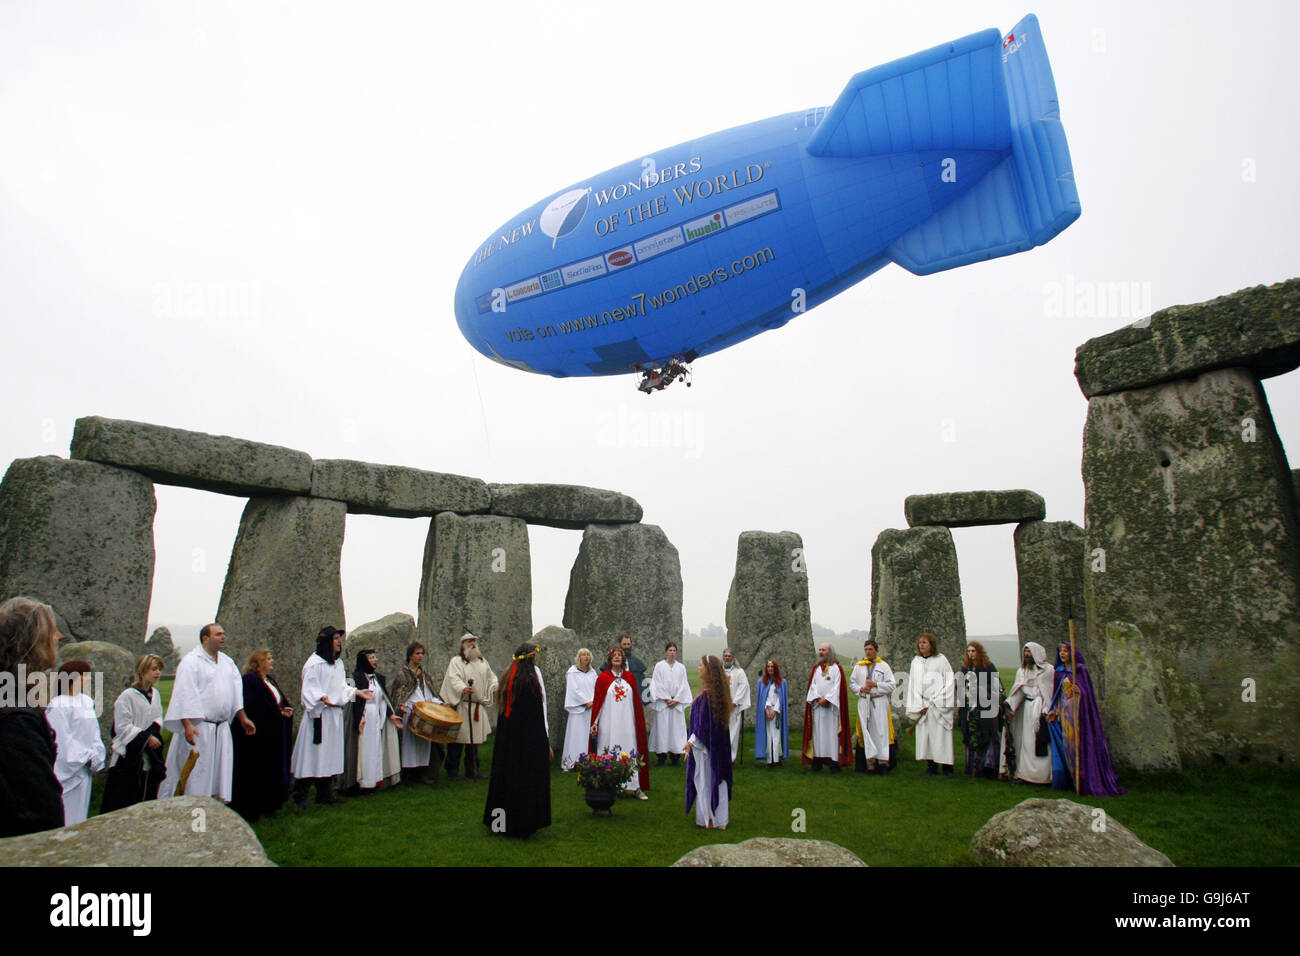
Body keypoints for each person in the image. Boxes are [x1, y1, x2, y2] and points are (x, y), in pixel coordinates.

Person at [159, 623, 255, 801]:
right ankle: (192, 812)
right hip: (199, 728)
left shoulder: (227, 663)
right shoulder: (191, 662)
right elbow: (184, 694)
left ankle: (212, 811)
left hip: (221, 729)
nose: (223, 637)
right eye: (218, 634)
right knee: (196, 775)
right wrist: (187, 725)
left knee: (218, 775)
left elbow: (235, 692)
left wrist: (242, 717)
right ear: (205, 639)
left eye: (223, 634)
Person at [0, 596, 64, 836]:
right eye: (52, 631)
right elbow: (39, 813)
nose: (58, 637)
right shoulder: (16, 719)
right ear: (34, 642)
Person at [290, 626, 372, 808]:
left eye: (339, 638)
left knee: (328, 755)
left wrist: (357, 693)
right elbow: (310, 688)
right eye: (335, 638)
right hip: (318, 716)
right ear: (327, 642)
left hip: (333, 716)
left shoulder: (337, 664)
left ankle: (324, 793)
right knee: (312, 756)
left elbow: (341, 687)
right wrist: (321, 697)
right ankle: (300, 796)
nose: (339, 641)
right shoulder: (314, 664)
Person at [483, 642, 552, 837]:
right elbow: (536, 716)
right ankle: (523, 823)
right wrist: (543, 741)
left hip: (507, 744)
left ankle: (499, 823)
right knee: (525, 781)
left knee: (505, 780)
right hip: (528, 744)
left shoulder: (508, 680)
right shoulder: (529, 683)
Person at [1047, 643, 1125, 796]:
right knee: (1067, 747)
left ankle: (1083, 779)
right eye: (1060, 651)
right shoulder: (1059, 673)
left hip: (1078, 715)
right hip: (1064, 714)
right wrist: (1054, 711)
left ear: (1072, 653)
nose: (1062, 654)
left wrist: (1080, 691)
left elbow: (1088, 695)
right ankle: (1070, 778)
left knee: (1079, 746)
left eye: (1066, 651)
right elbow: (1056, 695)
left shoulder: (1080, 672)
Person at [230, 649, 293, 821]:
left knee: (272, 769)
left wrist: (282, 710)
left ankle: (271, 804)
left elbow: (275, 702)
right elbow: (253, 705)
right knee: (258, 770)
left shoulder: (269, 680)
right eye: (268, 659)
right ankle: (255, 807)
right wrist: (277, 712)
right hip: (258, 735)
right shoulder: (250, 681)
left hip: (272, 734)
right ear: (258, 663)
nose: (272, 661)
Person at [101, 653, 166, 813]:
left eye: (159, 669)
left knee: (146, 795)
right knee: (122, 801)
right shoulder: (127, 696)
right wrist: (145, 737)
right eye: (154, 669)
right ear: (143, 671)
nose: (158, 673)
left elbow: (157, 716)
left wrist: (154, 732)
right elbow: (122, 726)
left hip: (147, 755)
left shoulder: (154, 694)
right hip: (128, 756)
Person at [45, 661, 106, 825]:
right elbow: (62, 740)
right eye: (85, 675)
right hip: (69, 772)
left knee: (80, 816)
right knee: (66, 816)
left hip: (85, 770)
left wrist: (97, 754)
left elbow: (94, 732)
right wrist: (85, 757)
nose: (88, 679)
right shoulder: (57, 705)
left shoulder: (86, 701)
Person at [589, 646, 650, 798]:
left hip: (627, 723)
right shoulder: (602, 678)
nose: (617, 657)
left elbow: (636, 703)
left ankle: (634, 786)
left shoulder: (629, 678)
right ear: (609, 660)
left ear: (623, 659)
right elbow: (598, 703)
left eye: (619, 655)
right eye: (614, 656)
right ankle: (609, 785)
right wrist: (595, 723)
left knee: (630, 749)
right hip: (609, 723)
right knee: (608, 750)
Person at [440, 633, 498, 780]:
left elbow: (491, 677)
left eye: (474, 641)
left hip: (476, 707)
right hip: (462, 705)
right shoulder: (457, 661)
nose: (472, 644)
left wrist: (494, 686)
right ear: (463, 644)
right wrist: (462, 688)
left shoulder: (482, 662)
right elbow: (454, 678)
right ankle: (452, 771)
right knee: (457, 740)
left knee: (473, 743)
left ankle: (473, 770)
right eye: (469, 642)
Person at [685, 655, 733, 829]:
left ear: (708, 670)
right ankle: (718, 818)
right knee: (715, 779)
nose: (698, 668)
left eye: (701, 665)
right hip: (718, 747)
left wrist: (690, 742)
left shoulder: (706, 697)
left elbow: (702, 727)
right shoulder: (718, 695)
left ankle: (709, 818)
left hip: (705, 748)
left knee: (705, 780)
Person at [389, 641, 443, 784]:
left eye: (422, 654)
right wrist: (402, 706)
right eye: (417, 653)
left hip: (425, 713)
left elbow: (430, 694)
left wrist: (440, 703)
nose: (420, 656)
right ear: (410, 655)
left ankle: (423, 773)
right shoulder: (403, 674)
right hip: (410, 713)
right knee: (410, 745)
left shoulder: (424, 674)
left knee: (424, 744)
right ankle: (408, 774)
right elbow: (398, 695)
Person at [348, 649, 401, 792]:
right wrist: (360, 717)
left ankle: (375, 780)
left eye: (375, 657)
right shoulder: (355, 677)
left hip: (377, 715)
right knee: (364, 748)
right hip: (365, 715)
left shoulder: (379, 678)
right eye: (371, 657)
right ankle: (362, 782)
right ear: (364, 660)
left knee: (376, 748)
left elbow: (384, 698)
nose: (375, 660)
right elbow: (353, 701)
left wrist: (391, 714)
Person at [905, 633, 955, 776]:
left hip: (938, 704)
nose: (921, 645)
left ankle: (947, 768)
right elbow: (913, 684)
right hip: (923, 705)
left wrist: (937, 700)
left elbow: (949, 681)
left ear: (931, 645)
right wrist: (918, 703)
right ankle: (931, 766)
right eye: (920, 642)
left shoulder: (941, 660)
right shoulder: (916, 662)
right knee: (927, 737)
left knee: (941, 736)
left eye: (925, 642)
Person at [1004, 641, 1053, 785]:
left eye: (1029, 652)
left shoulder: (1048, 671)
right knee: (1026, 743)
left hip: (1041, 711)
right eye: (1025, 652)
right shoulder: (1022, 671)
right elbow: (1018, 692)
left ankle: (1043, 777)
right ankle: (1025, 775)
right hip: (1027, 711)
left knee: (1042, 742)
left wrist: (1046, 710)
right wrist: (1009, 704)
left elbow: (1049, 693)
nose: (1026, 655)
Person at [850, 639, 896, 774]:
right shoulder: (859, 666)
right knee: (867, 731)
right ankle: (870, 763)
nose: (868, 652)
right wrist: (860, 689)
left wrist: (876, 685)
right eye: (866, 649)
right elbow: (852, 683)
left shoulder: (884, 666)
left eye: (870, 649)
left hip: (879, 701)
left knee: (881, 732)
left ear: (876, 650)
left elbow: (892, 685)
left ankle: (883, 762)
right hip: (864, 701)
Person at [958, 641, 1004, 779]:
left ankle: (987, 767)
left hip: (985, 708)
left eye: (973, 651)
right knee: (969, 735)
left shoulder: (988, 667)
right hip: (969, 707)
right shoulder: (966, 668)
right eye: (969, 651)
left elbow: (996, 687)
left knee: (985, 736)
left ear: (979, 652)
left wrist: (980, 690)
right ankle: (971, 768)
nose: (971, 654)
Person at [802, 643, 851, 771]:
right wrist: (818, 698)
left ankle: (833, 762)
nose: (821, 652)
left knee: (832, 734)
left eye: (824, 650)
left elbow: (837, 686)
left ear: (830, 652)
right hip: (818, 707)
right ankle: (817, 761)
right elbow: (813, 685)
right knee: (817, 733)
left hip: (831, 709)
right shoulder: (816, 669)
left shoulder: (836, 668)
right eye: (820, 650)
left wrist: (828, 699)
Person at [648, 642, 691, 765]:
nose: (672, 653)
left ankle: (675, 756)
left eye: (674, 650)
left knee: (676, 730)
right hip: (663, 704)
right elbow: (657, 683)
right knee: (662, 730)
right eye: (670, 650)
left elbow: (684, 685)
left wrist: (677, 699)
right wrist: (667, 698)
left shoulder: (681, 667)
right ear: (666, 652)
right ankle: (661, 756)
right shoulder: (659, 666)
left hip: (676, 704)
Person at [561, 648, 598, 770]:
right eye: (583, 655)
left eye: (588, 655)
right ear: (579, 658)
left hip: (591, 709)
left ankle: (589, 760)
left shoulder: (593, 673)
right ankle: (574, 761)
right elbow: (573, 690)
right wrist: (585, 701)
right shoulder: (572, 672)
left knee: (589, 735)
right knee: (577, 735)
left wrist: (593, 701)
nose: (586, 657)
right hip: (578, 710)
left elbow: (597, 687)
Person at [754, 658, 788, 767]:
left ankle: (776, 758)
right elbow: (763, 697)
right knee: (768, 734)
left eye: (772, 667)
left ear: (776, 668)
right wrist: (767, 710)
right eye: (768, 667)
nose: (770, 669)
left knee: (776, 734)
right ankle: (769, 759)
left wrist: (775, 711)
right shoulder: (761, 682)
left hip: (777, 712)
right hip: (767, 711)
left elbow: (780, 698)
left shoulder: (782, 682)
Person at [601, 634, 648, 703]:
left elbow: (642, 682)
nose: (626, 646)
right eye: (624, 644)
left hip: (632, 699)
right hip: (615, 698)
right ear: (620, 644)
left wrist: (645, 700)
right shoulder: (612, 661)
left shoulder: (637, 662)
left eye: (628, 644)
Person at [722, 648, 749, 765]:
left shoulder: (739, 672)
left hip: (734, 707)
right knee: (721, 732)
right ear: (723, 657)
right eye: (725, 655)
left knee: (732, 733)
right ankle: (721, 755)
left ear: (733, 658)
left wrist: (735, 701)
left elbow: (744, 686)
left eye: (729, 656)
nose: (727, 658)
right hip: (721, 707)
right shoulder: (719, 671)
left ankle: (731, 758)